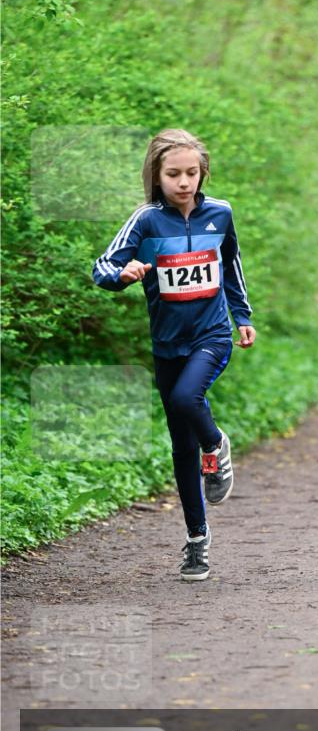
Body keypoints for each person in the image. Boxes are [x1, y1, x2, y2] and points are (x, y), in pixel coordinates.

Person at [92, 129, 256, 582]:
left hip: (212, 334)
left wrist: (242, 314)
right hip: (167, 345)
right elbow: (102, 266)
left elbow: (231, 265)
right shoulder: (146, 220)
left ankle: (215, 444)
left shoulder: (220, 213)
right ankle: (197, 541)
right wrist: (122, 274)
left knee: (188, 399)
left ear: (203, 173)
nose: (184, 182)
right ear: (156, 175)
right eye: (173, 174)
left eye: (191, 173)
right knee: (180, 447)